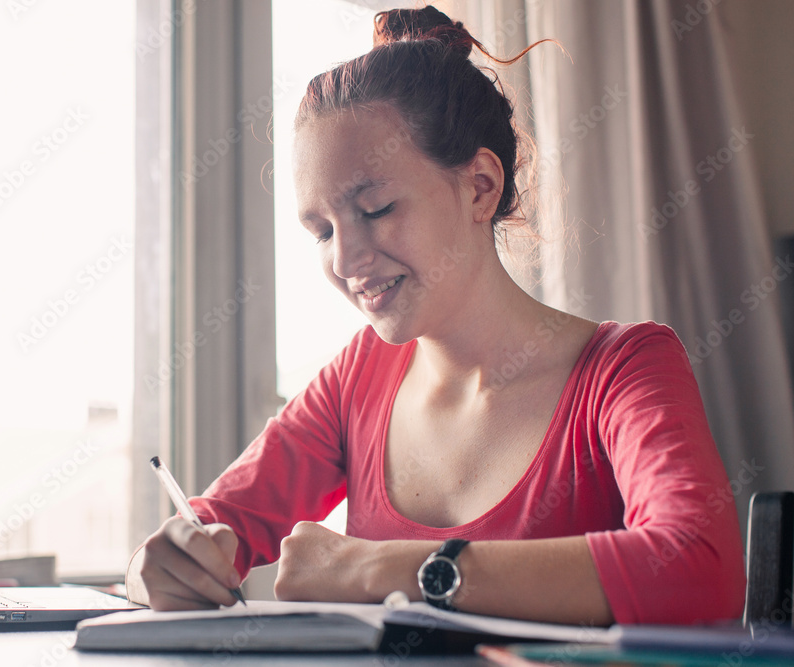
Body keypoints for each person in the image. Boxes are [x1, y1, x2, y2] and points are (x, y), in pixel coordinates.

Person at [126, 6, 746, 625]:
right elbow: (197, 533)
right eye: (321, 232)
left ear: (480, 186)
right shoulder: (353, 382)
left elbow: (700, 568)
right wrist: (159, 568)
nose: (346, 259)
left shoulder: (623, 370)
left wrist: (375, 568)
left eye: (375, 208)